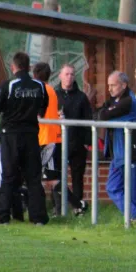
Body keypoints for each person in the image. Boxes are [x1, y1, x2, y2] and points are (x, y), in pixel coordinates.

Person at [0, 52, 49, 225]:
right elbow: (43, 108)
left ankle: (2, 217)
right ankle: (39, 218)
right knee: (33, 178)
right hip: (31, 137)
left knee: (6, 176)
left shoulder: (9, 85)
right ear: (28, 67)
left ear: (13, 67)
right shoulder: (39, 86)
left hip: (10, 136)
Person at [34, 63, 87, 217]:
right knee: (49, 178)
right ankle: (72, 206)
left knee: (52, 179)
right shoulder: (51, 91)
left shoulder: (43, 91)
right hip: (49, 138)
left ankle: (77, 205)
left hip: (48, 139)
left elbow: (39, 115)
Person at [96, 71, 136, 221]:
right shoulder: (115, 100)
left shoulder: (128, 101)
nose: (109, 89)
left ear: (123, 85)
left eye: (113, 85)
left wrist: (107, 111)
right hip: (118, 154)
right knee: (112, 187)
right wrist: (107, 110)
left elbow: (103, 116)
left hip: (130, 153)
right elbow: (99, 113)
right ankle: (135, 216)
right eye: (108, 85)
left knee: (135, 190)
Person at [56, 63, 93, 204]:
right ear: (60, 76)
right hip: (58, 142)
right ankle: (59, 207)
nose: (69, 77)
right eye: (66, 74)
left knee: (77, 177)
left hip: (77, 143)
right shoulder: (54, 95)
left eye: (72, 74)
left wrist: (86, 143)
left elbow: (88, 120)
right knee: (57, 177)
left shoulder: (81, 97)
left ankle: (78, 206)